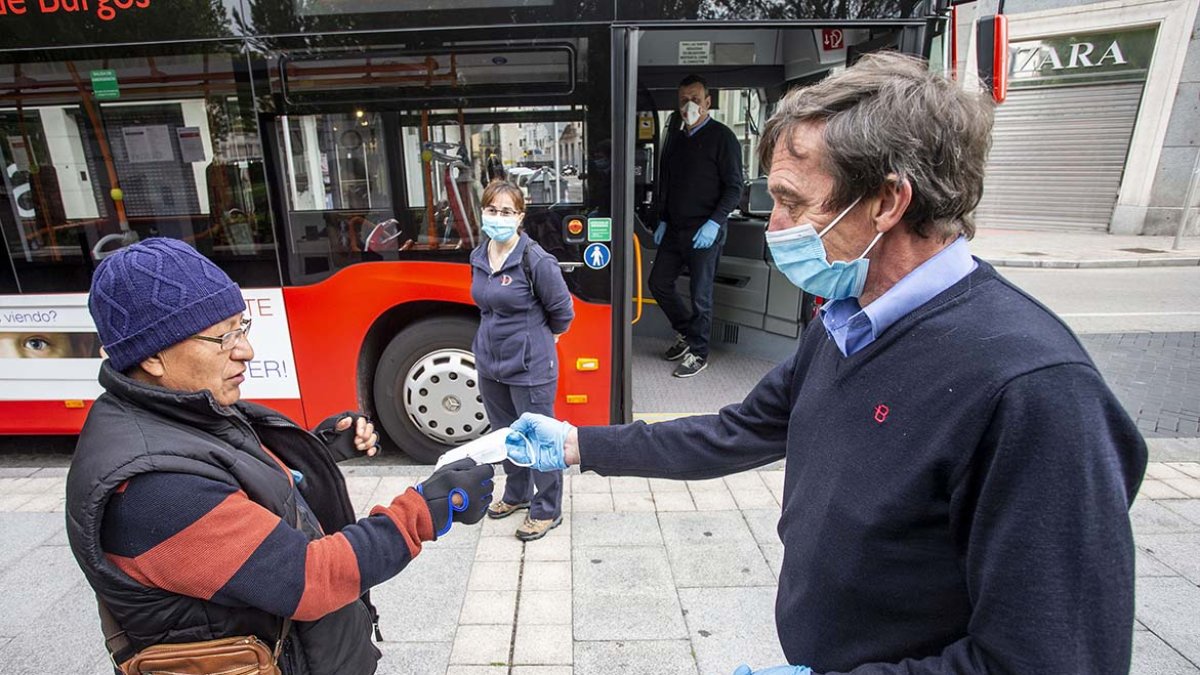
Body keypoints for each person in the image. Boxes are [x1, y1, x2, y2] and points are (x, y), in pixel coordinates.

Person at [502, 53, 1147, 673]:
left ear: (888, 202)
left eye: (793, 201)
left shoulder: (1036, 394)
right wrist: (578, 444)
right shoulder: (844, 322)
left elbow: (1051, 659)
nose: (776, 224)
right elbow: (738, 431)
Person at [66, 237, 494, 675]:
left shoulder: (175, 410)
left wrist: (319, 450)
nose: (245, 349)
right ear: (152, 356)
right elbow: (311, 578)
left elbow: (230, 477)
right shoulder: (152, 490)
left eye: (242, 326)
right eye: (222, 336)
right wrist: (429, 508)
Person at [470, 180, 574, 541]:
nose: (498, 217)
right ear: (483, 212)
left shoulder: (535, 260)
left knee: (539, 438)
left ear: (520, 217)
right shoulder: (479, 256)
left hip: (530, 366)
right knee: (507, 435)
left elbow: (562, 311)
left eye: (506, 212)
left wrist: (545, 338)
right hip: (490, 363)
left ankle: (547, 508)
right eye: (492, 210)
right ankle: (516, 495)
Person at [650, 74, 744, 378]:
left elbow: (734, 187)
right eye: (683, 100)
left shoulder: (723, 137)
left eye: (695, 99)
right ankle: (686, 334)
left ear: (708, 102)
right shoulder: (676, 138)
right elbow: (669, 183)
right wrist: (663, 218)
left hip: (706, 230)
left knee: (700, 294)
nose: (689, 105)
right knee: (658, 283)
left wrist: (715, 223)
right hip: (675, 228)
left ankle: (699, 352)